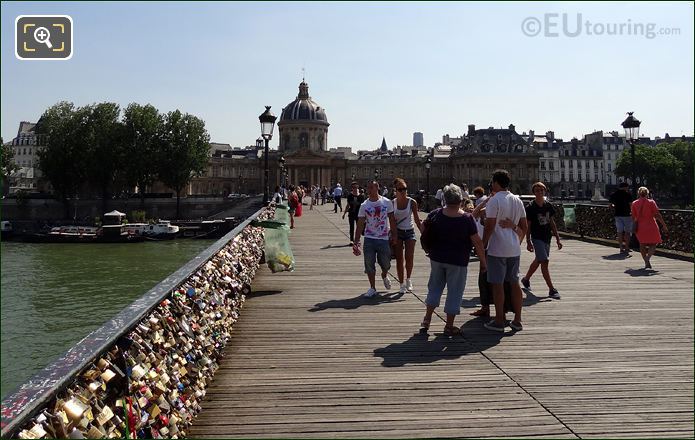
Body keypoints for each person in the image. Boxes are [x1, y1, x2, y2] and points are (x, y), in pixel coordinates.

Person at [420, 184, 486, 336]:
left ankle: (427, 319)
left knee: (434, 288)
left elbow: (424, 230)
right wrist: (483, 261)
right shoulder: (466, 219)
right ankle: (449, 325)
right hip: (458, 260)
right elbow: (477, 241)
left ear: (445, 199)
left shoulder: (435, 214)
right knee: (455, 292)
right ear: (461, 200)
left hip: (436, 257)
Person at [482, 169, 528, 332]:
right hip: (514, 249)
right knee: (515, 283)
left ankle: (499, 319)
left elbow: (489, 226)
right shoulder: (517, 200)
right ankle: (517, 320)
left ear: (495, 182)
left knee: (498, 284)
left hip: (497, 248)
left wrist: (482, 245)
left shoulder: (495, 201)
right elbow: (524, 227)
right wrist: (517, 241)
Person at [352, 181, 397, 298]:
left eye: (371, 187)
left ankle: (384, 274)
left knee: (386, 263)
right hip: (369, 238)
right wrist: (356, 241)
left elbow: (392, 220)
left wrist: (395, 235)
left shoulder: (387, 202)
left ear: (377, 188)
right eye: (368, 188)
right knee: (369, 264)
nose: (369, 190)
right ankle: (372, 287)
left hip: (383, 238)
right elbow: (360, 224)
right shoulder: (364, 205)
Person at [520, 182, 562, 299]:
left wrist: (557, 238)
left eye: (541, 190)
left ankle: (526, 279)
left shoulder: (548, 205)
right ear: (534, 193)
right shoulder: (530, 207)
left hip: (547, 237)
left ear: (545, 191)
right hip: (537, 237)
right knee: (544, 261)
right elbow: (528, 225)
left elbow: (552, 222)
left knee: (539, 260)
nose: (539, 192)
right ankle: (551, 289)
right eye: (537, 190)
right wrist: (528, 241)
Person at [391, 178, 424, 294]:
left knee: (409, 257)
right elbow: (390, 221)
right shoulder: (392, 203)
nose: (403, 191)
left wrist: (424, 234)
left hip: (409, 231)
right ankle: (401, 284)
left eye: (405, 188)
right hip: (398, 232)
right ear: (395, 190)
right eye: (400, 189)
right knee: (399, 259)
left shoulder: (412, 202)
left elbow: (417, 220)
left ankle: (408, 279)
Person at [632, 186, 668, 270]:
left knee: (642, 244)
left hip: (640, 226)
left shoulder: (634, 203)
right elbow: (657, 215)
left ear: (638, 193)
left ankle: (646, 261)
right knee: (654, 243)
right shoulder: (651, 202)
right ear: (647, 193)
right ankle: (648, 258)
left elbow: (633, 217)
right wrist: (664, 225)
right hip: (651, 225)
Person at [609, 182, 634, 253]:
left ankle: (620, 248)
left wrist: (615, 207)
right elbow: (631, 205)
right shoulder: (628, 194)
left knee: (619, 232)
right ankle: (627, 247)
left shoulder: (614, 194)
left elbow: (611, 205)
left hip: (617, 215)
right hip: (627, 215)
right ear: (626, 187)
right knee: (627, 232)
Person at [342, 181, 365, 246]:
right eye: (353, 187)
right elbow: (348, 205)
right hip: (351, 213)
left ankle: (358, 240)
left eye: (356, 187)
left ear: (358, 187)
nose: (355, 188)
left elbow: (363, 207)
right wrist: (344, 213)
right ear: (352, 188)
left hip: (359, 214)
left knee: (359, 227)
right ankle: (351, 240)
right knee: (351, 227)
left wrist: (365, 216)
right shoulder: (350, 196)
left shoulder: (361, 196)